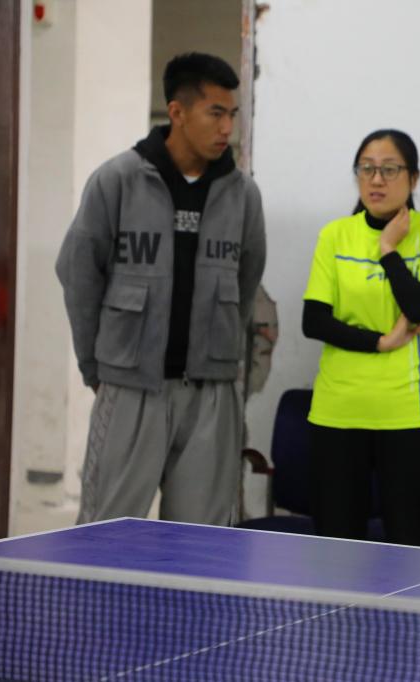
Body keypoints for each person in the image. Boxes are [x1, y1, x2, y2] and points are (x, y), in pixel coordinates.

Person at [56, 53, 266, 525]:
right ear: (177, 112)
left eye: (232, 115)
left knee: (199, 541)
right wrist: (96, 367)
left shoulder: (242, 195)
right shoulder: (117, 181)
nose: (227, 128)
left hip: (210, 395)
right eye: (216, 113)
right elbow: (78, 274)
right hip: (131, 387)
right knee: (107, 533)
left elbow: (247, 281)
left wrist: (223, 359)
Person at [302, 129, 420, 547]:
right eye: (366, 169)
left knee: (409, 549)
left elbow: (418, 307)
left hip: (408, 414)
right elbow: (314, 321)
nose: (375, 180)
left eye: (389, 170)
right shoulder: (335, 235)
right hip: (337, 412)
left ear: (414, 178)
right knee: (335, 550)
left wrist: (388, 250)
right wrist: (380, 342)